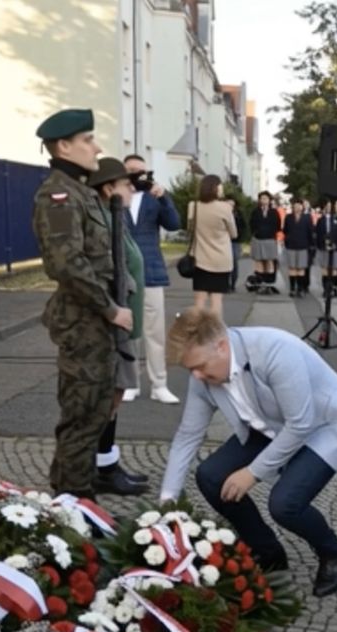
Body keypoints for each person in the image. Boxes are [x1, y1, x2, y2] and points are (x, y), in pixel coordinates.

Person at [159, 308, 337, 598]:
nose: (196, 376)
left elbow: (300, 424)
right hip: (269, 423)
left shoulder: (275, 350)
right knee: (211, 477)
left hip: (322, 424)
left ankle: (333, 551)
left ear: (221, 346)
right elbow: (187, 436)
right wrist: (167, 500)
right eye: (190, 369)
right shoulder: (204, 375)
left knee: (285, 504)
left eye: (199, 366)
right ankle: (268, 552)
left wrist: (252, 473)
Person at [31, 108, 132, 500]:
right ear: (64, 146)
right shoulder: (58, 196)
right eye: (88, 140)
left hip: (96, 321)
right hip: (84, 321)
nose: (96, 147)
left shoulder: (81, 191)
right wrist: (110, 308)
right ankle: (73, 505)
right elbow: (66, 263)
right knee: (81, 418)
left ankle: (78, 500)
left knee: (93, 415)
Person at [88, 157, 149, 497]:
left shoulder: (117, 218)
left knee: (116, 396)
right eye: (126, 183)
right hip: (116, 324)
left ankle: (107, 463)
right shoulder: (104, 220)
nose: (131, 188)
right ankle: (101, 469)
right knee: (108, 398)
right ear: (109, 188)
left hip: (127, 324)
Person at [123, 154, 182, 405]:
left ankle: (159, 384)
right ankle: (130, 382)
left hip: (151, 272)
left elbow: (173, 224)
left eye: (141, 171)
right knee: (128, 332)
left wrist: (165, 197)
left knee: (155, 332)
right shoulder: (116, 198)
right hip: (124, 273)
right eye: (132, 171)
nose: (137, 175)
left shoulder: (154, 197)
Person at [186, 174, 238, 314]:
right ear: (216, 188)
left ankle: (199, 331)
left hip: (200, 258)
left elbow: (190, 229)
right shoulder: (225, 208)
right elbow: (234, 233)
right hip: (221, 260)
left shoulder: (193, 206)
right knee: (216, 300)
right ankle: (215, 332)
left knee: (199, 300)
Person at [315, 199, 337, 298]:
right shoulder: (321, 219)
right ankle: (326, 288)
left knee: (335, 268)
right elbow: (318, 233)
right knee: (325, 268)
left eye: (335, 205)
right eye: (329, 205)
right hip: (324, 247)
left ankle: (334, 287)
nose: (332, 207)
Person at [282, 198, 314, 298]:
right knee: (292, 267)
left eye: (299, 205)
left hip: (303, 245)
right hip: (291, 245)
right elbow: (285, 230)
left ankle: (300, 288)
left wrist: (311, 245)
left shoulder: (307, 218)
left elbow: (310, 232)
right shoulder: (288, 217)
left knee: (301, 268)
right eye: (295, 206)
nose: (297, 208)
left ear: (302, 207)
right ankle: (292, 288)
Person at [249, 191, 281, 289]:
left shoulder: (274, 212)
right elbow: (251, 224)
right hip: (258, 239)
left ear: (269, 200)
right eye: (262, 198)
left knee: (269, 261)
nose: (264, 200)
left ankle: (269, 284)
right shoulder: (255, 211)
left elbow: (278, 225)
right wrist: (256, 232)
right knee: (259, 261)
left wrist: (271, 233)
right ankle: (260, 282)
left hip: (270, 239)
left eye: (266, 198)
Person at [227, 197, 246, 292]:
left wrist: (239, 236)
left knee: (234, 262)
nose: (230, 206)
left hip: (235, 241)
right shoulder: (222, 214)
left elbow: (243, 227)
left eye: (232, 204)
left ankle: (233, 283)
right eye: (228, 204)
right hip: (224, 241)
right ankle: (225, 283)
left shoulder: (238, 215)